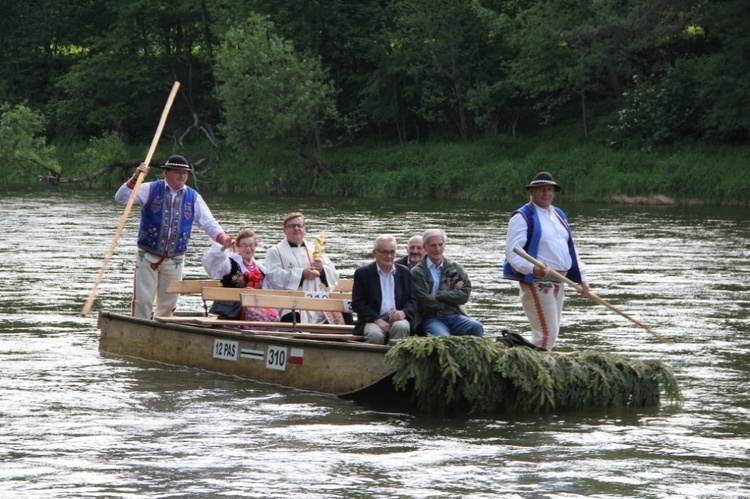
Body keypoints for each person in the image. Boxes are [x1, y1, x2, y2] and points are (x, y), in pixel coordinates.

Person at [115, 155, 232, 319]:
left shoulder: (193, 197)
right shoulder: (150, 189)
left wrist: (222, 239)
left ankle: (162, 334)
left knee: (168, 304)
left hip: (175, 258)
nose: (182, 176)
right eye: (178, 172)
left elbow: (208, 222)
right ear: (166, 173)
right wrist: (135, 178)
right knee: (143, 301)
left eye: (185, 173)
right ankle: (139, 332)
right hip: (148, 255)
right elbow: (121, 198)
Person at [503, 171, 589, 351]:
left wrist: (582, 278)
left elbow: (570, 249)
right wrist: (533, 269)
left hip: (560, 281)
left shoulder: (558, 215)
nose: (546, 193)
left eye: (549, 189)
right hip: (537, 281)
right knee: (546, 334)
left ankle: (524, 358)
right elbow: (513, 252)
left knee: (551, 334)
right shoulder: (522, 216)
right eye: (541, 189)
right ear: (532, 192)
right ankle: (537, 373)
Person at [264, 212, 340, 323]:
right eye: (292, 226)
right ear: (284, 230)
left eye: (299, 225)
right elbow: (273, 277)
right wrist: (302, 274)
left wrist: (322, 270)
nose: (296, 228)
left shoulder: (315, 249)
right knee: (294, 317)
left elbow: (334, 274)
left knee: (343, 314)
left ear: (305, 229)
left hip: (318, 303)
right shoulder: (275, 252)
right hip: (292, 304)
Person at [411, 228, 484, 337]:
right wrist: (452, 297)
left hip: (455, 315)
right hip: (431, 318)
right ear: (425, 247)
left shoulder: (455, 268)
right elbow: (424, 303)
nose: (438, 249)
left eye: (440, 244)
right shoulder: (417, 272)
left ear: (445, 245)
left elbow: (464, 296)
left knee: (476, 326)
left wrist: (438, 295)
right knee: (443, 338)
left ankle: (476, 354)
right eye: (433, 245)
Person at [202, 228, 279, 323]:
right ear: (238, 247)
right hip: (232, 310)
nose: (248, 249)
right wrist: (223, 248)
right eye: (244, 245)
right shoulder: (230, 263)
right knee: (261, 317)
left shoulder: (261, 269)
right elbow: (212, 264)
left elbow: (266, 292)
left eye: (251, 245)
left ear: (255, 247)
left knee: (274, 317)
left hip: (254, 308)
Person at [352, 235, 418, 345]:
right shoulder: (363, 273)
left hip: (397, 319)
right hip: (373, 319)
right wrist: (377, 320)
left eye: (392, 252)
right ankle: (373, 362)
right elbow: (358, 303)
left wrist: (404, 312)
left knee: (401, 327)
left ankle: (396, 360)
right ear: (374, 253)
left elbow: (413, 301)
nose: (389, 256)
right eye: (385, 252)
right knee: (375, 335)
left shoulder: (404, 272)